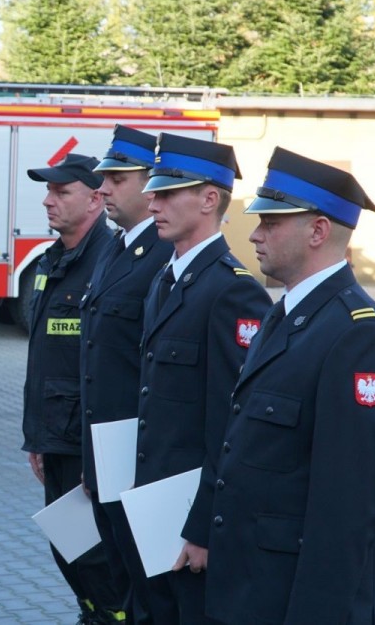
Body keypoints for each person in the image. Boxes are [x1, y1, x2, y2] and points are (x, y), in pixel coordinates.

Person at [205, 148, 375, 624]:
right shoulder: (287, 315)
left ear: (318, 231)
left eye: (271, 223)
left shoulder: (358, 336)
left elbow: (347, 509)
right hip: (251, 587)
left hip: (296, 601)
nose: (254, 234)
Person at [135, 134, 271, 624]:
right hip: (154, 508)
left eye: (168, 192)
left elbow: (234, 426)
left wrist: (204, 526)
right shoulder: (164, 279)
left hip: (193, 519)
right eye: (153, 191)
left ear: (209, 199)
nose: (152, 202)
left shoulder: (232, 293)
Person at [78, 125, 174, 624]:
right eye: (103, 179)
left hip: (138, 455)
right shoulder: (115, 248)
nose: (104, 189)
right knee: (122, 581)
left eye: (117, 178)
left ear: (150, 182)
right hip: (105, 452)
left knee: (148, 588)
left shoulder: (163, 256)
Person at [21, 152, 123, 625]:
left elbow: (110, 368)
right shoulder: (51, 261)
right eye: (48, 191)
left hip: (87, 445)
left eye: (61, 192)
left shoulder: (111, 264)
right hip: (56, 438)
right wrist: (37, 439)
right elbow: (46, 358)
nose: (48, 201)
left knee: (98, 558)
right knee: (68, 550)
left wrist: (94, 454)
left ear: (96, 199)